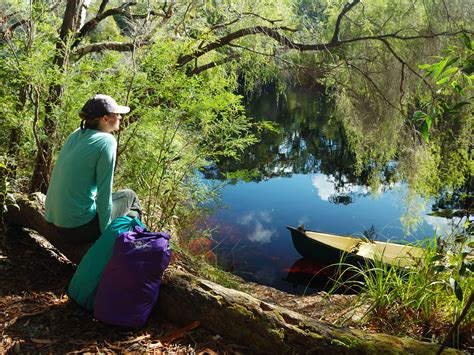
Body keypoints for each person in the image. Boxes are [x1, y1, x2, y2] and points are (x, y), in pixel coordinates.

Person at [44, 94, 141, 262]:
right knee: (130, 196)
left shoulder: (76, 134)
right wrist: (105, 235)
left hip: (53, 222)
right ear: (105, 118)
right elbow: (104, 193)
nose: (120, 117)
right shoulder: (107, 141)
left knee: (110, 203)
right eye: (116, 114)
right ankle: (129, 249)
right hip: (76, 230)